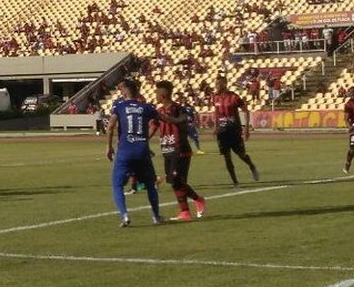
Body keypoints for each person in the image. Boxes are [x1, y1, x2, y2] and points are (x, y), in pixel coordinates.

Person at [105, 78, 162, 227]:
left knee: (117, 185)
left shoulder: (119, 105)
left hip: (125, 150)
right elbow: (157, 121)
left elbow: (110, 126)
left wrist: (109, 147)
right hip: (142, 150)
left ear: (124, 91)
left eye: (121, 89)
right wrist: (145, 138)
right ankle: (156, 216)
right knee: (150, 184)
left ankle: (125, 215)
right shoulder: (146, 107)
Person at [152, 80, 206, 222]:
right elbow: (153, 127)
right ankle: (185, 212)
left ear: (163, 95)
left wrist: (164, 118)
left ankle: (198, 200)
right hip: (167, 150)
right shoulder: (159, 111)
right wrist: (143, 140)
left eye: (157, 93)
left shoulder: (179, 108)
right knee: (175, 182)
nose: (155, 96)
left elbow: (181, 121)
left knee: (177, 180)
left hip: (180, 148)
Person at [210, 75, 259, 187]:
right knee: (227, 157)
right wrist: (215, 126)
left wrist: (246, 128)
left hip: (234, 131)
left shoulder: (234, 97)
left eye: (218, 84)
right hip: (222, 132)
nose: (216, 86)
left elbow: (246, 111)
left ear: (224, 84)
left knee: (241, 154)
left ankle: (251, 165)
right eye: (216, 83)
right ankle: (235, 182)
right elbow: (216, 112)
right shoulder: (215, 97)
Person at [342, 86, 354, 174]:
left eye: (353, 92)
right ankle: (347, 164)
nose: (351, 94)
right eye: (350, 92)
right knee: (352, 149)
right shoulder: (348, 104)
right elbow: (346, 119)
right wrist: (352, 130)